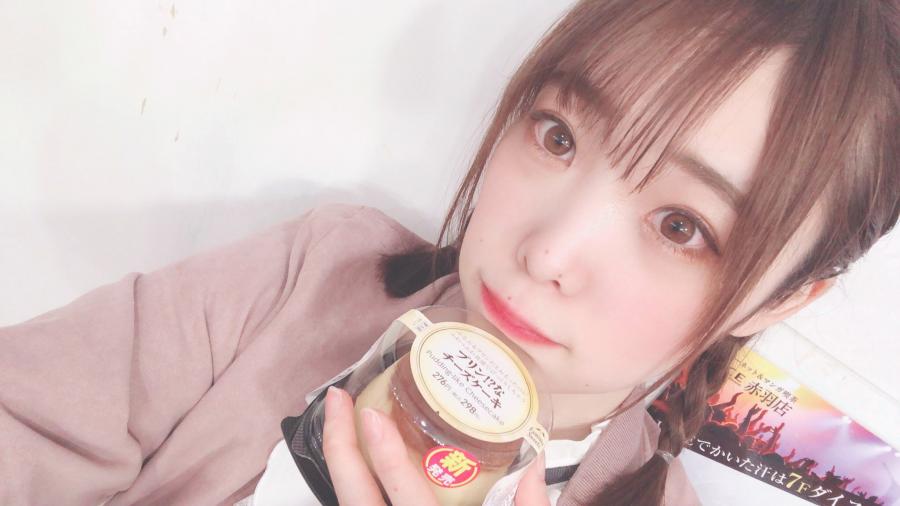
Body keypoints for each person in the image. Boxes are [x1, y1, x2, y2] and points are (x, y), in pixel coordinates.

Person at [1, 0, 897, 505]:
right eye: (557, 136)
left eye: (680, 226)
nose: (548, 251)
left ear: (783, 298)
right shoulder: (316, 273)